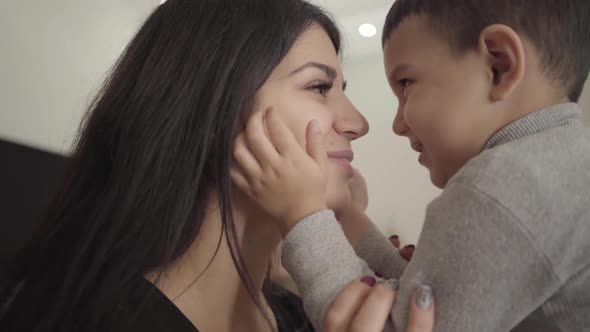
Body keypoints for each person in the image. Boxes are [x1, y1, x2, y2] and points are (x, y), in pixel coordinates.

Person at [0, 1, 435, 331]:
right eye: (320, 87)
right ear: (215, 112)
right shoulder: (90, 319)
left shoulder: (303, 318)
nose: (358, 122)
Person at [231, 0, 590, 331]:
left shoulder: (504, 182)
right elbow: (426, 296)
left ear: (499, 65)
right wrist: (350, 219)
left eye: (406, 84)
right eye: (320, 87)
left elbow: (397, 325)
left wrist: (302, 215)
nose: (396, 124)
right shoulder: (559, 167)